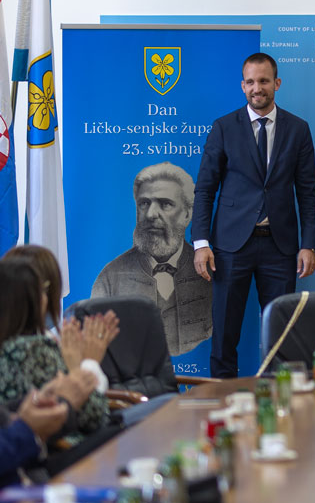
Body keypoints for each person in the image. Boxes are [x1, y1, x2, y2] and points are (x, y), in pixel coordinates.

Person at [192, 52, 315, 378]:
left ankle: (279, 400)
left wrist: (308, 244)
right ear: (242, 85)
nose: (257, 88)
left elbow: (307, 191)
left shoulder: (298, 129)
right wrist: (201, 243)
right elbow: (205, 189)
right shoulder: (224, 128)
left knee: (282, 336)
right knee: (224, 333)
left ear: (277, 83)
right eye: (250, 82)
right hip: (230, 246)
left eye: (263, 81)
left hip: (280, 247)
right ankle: (224, 402)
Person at [91, 162, 212, 356]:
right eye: (144, 204)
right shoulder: (110, 278)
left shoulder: (209, 273)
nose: (151, 214)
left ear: (187, 214)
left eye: (165, 204)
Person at [0, 258, 114, 449]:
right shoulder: (36, 349)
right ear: (35, 301)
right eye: (42, 290)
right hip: (61, 452)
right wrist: (83, 366)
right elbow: (94, 416)